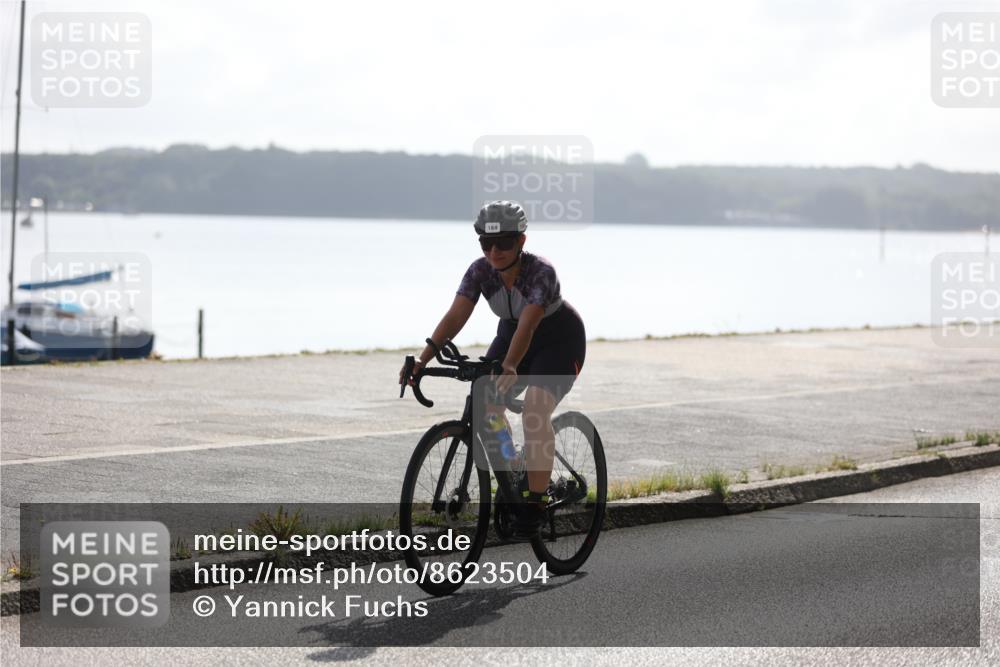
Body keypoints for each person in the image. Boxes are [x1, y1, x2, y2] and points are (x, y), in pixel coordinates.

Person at [399, 200, 586, 537]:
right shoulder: (480, 271)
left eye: (504, 243)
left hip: (559, 340)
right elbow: (456, 314)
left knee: (534, 410)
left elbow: (529, 325)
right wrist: (424, 358)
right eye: (486, 243)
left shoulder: (541, 272)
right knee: (487, 403)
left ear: (522, 242)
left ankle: (536, 502)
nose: (495, 251)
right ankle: (514, 470)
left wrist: (511, 365)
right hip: (512, 334)